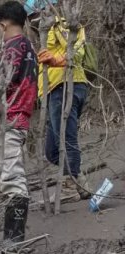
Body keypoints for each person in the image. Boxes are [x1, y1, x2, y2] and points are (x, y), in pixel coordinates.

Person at [0, 1, 38, 246]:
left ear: (2, 25)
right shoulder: (27, 47)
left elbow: (0, 84)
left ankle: (14, 244)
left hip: (10, 120)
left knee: (12, 178)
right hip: (2, 122)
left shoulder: (15, 46)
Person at [26, 0, 91, 200]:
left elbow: (77, 52)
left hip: (66, 86)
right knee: (52, 150)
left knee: (66, 140)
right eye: (31, 18)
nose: (35, 21)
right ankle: (79, 180)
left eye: (36, 14)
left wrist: (56, 60)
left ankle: (70, 187)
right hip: (52, 91)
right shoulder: (39, 37)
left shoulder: (65, 25)